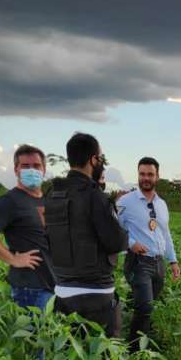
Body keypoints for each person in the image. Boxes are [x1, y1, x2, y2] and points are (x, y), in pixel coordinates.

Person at [44, 132, 128, 337]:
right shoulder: (95, 196)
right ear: (93, 159)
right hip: (96, 295)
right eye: (99, 158)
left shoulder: (52, 194)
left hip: (62, 292)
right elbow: (116, 242)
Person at [0, 144, 55, 310]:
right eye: (25, 166)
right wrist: (13, 259)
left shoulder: (46, 200)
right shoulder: (11, 200)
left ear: (44, 170)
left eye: (36, 166)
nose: (32, 170)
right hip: (31, 290)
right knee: (34, 335)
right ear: (16, 170)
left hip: (51, 285)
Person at [116, 157, 181, 349]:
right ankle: (135, 351)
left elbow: (165, 233)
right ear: (138, 175)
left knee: (147, 307)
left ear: (157, 176)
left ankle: (142, 340)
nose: (146, 178)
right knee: (145, 307)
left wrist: (173, 261)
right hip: (138, 261)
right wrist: (130, 243)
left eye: (150, 174)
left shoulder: (162, 204)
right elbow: (112, 229)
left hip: (158, 263)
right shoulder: (125, 202)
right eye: (142, 174)